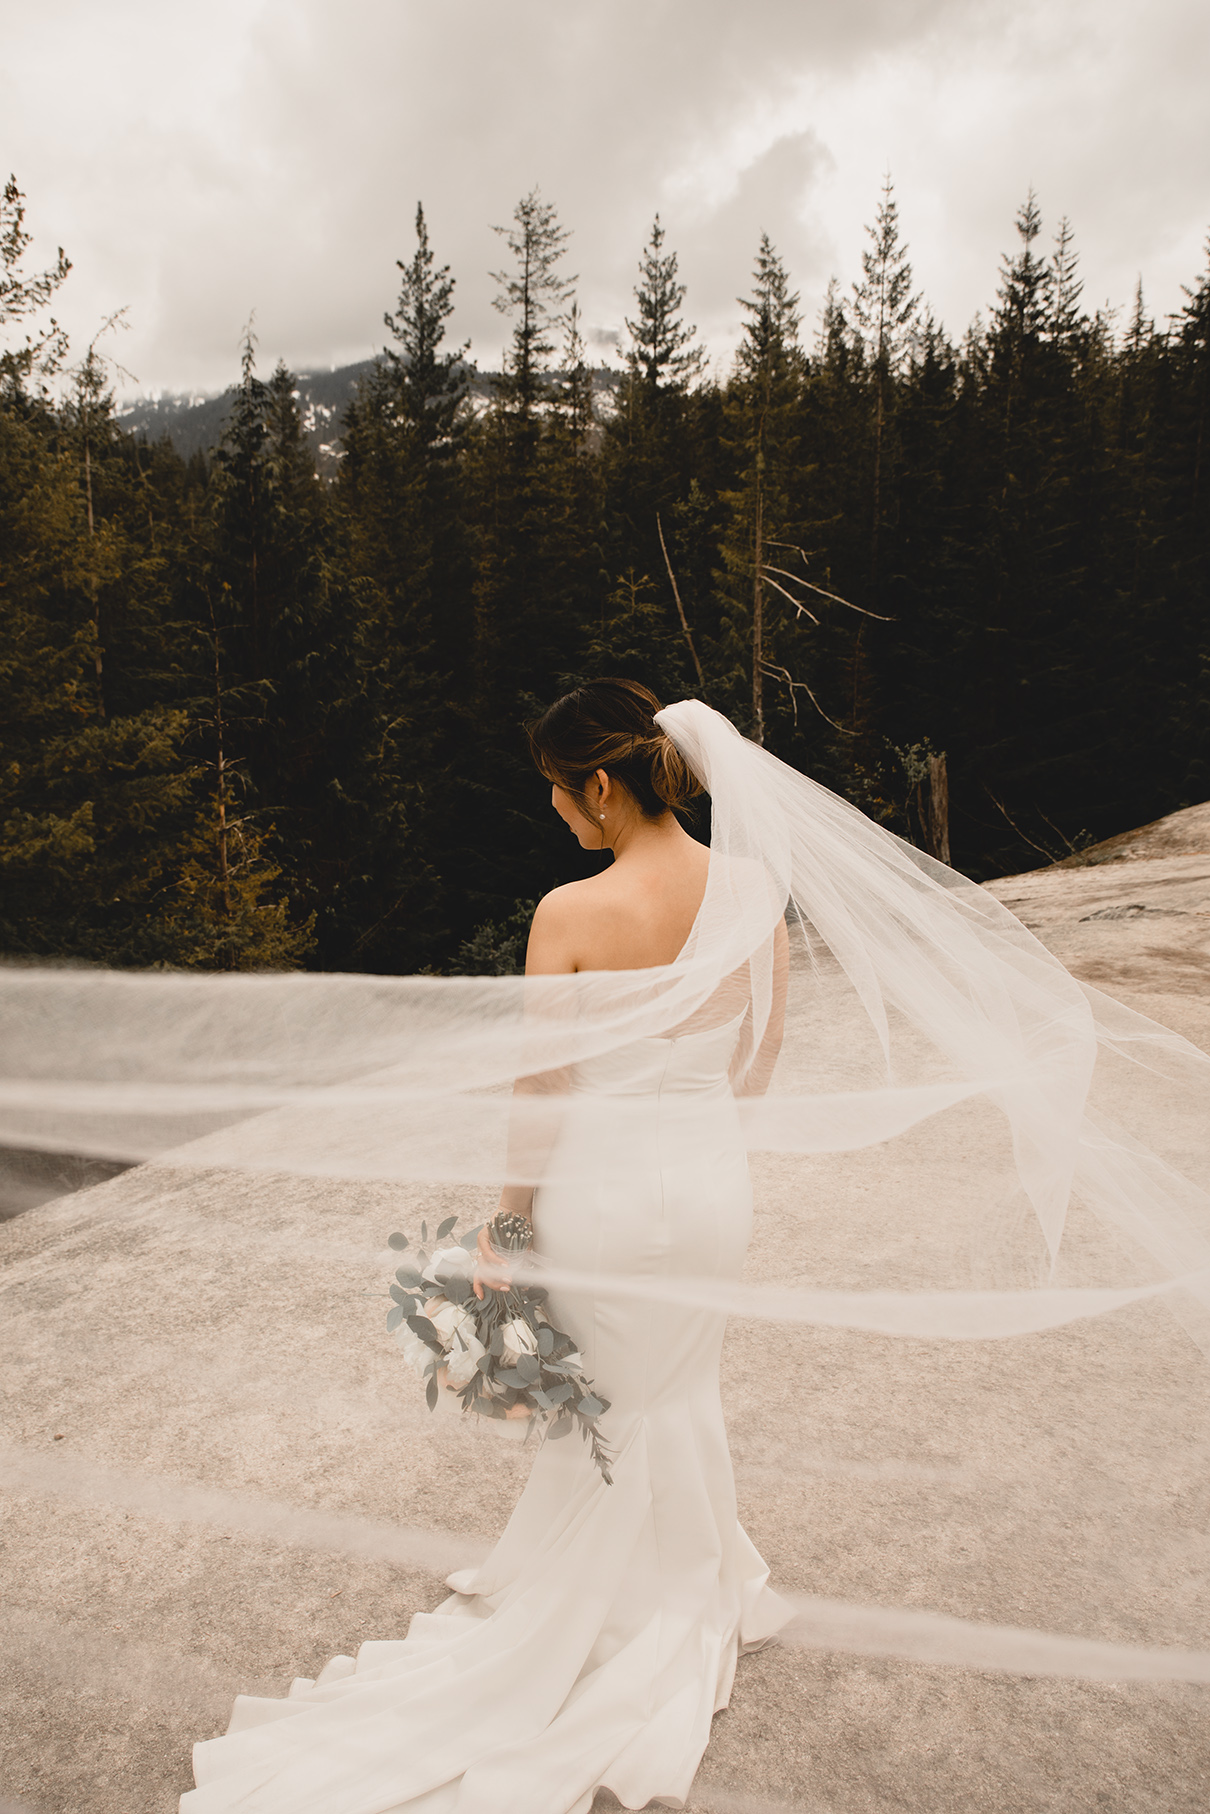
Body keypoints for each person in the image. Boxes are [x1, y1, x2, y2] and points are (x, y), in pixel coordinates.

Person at [182, 678, 793, 1813]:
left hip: (604, 1195)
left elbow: (542, 1089)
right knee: (677, 1384)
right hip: (713, 1187)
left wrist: (506, 1226)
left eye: (560, 795)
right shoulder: (756, 887)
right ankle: (690, 1582)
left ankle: (600, 1607)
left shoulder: (571, 912)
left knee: (607, 1392)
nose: (559, 817)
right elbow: (761, 1051)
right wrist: (708, 1140)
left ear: (600, 786)